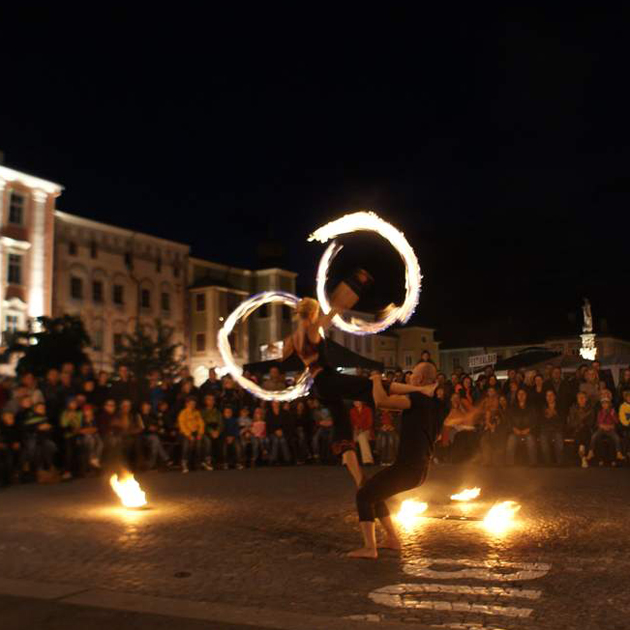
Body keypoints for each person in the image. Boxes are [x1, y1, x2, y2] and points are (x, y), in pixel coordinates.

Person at [348, 362, 476, 559]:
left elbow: (382, 402)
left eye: (413, 375)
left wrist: (374, 380)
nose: (409, 378)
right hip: (419, 469)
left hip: (407, 468)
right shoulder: (440, 405)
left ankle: (369, 548)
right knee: (375, 493)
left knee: (363, 495)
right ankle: (392, 539)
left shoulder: (416, 399)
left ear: (421, 380)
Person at [587, 397, 624, 464]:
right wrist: (604, 422)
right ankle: (591, 451)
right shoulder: (600, 412)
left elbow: (616, 422)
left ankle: (619, 453)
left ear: (609, 404)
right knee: (594, 436)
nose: (604, 405)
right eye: (603, 403)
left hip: (610, 429)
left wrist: (612, 415)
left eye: (606, 403)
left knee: (616, 438)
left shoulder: (613, 411)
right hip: (602, 429)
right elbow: (599, 422)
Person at [505, 389, 537, 466]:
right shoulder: (512, 407)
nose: (521, 396)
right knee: (511, 440)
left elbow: (535, 421)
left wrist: (529, 429)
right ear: (517, 396)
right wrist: (514, 429)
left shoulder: (531, 407)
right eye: (519, 394)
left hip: (528, 431)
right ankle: (509, 464)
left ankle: (533, 463)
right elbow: (509, 420)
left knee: (530, 440)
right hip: (515, 431)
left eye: (523, 394)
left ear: (526, 396)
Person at [567, 392, 595, 468]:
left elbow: (591, 422)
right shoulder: (573, 408)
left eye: (583, 397)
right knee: (580, 432)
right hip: (576, 430)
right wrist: (580, 422)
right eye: (579, 398)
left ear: (586, 399)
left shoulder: (590, 408)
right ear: (577, 399)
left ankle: (582, 455)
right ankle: (584, 456)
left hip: (587, 430)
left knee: (584, 430)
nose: (581, 399)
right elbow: (571, 422)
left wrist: (582, 423)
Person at [177, 396, 205, 473]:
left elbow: (201, 423)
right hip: (185, 433)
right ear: (187, 404)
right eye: (191, 404)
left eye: (194, 404)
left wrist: (200, 433)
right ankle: (184, 463)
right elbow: (182, 425)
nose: (192, 405)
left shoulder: (197, 412)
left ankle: (197, 462)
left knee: (199, 444)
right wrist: (189, 435)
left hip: (196, 432)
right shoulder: (183, 413)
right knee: (186, 444)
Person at [59, 397, 84, 480]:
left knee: (79, 451)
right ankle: (67, 471)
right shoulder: (64, 413)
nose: (74, 405)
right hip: (67, 436)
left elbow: (79, 425)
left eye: (75, 403)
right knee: (68, 452)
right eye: (72, 403)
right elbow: (63, 424)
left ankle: (78, 471)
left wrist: (74, 418)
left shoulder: (79, 413)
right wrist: (69, 417)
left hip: (77, 435)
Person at [538, 390, 564, 466]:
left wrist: (555, 413)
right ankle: (547, 462)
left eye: (551, 395)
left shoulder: (560, 406)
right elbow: (540, 420)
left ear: (554, 397)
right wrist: (547, 416)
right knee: (543, 439)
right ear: (546, 398)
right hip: (546, 429)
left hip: (556, 429)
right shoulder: (543, 407)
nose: (549, 397)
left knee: (559, 438)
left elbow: (562, 419)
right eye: (547, 396)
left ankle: (560, 462)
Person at [0, 411, 21, 486]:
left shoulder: (14, 427)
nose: (11, 419)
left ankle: (9, 478)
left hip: (10, 446)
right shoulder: (2, 427)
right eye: (9, 418)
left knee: (11, 456)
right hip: (4, 446)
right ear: (4, 418)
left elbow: (17, 436)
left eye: (12, 418)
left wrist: (17, 442)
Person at [201, 394, 223, 469]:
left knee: (221, 439)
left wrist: (217, 431)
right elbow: (202, 423)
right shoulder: (203, 412)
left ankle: (219, 461)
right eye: (209, 399)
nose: (211, 401)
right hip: (206, 430)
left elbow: (221, 423)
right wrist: (211, 431)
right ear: (206, 401)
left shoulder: (217, 411)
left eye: (212, 400)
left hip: (216, 430)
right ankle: (207, 460)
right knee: (208, 441)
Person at [267, 401, 292, 465]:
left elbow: (287, 424)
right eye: (274, 403)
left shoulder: (284, 412)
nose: (276, 404)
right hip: (272, 432)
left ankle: (287, 459)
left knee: (282, 440)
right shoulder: (269, 413)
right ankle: (273, 460)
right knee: (275, 440)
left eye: (277, 403)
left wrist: (282, 431)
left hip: (283, 432)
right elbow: (268, 425)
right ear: (272, 404)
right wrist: (275, 431)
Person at [350, 400, 374, 465]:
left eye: (358, 401)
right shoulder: (352, 411)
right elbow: (351, 423)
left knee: (362, 437)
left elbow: (369, 423)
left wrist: (361, 429)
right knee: (348, 437)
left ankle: (367, 460)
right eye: (355, 401)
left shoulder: (367, 409)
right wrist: (355, 428)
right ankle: (347, 461)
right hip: (355, 431)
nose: (356, 403)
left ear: (362, 402)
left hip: (366, 430)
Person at [79, 405, 103, 470]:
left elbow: (96, 428)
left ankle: (96, 459)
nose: (88, 412)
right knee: (91, 440)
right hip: (84, 437)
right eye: (86, 411)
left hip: (94, 435)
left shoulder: (94, 419)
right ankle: (91, 458)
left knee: (100, 443)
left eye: (89, 411)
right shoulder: (81, 419)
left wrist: (90, 430)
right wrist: (89, 430)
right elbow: (81, 430)